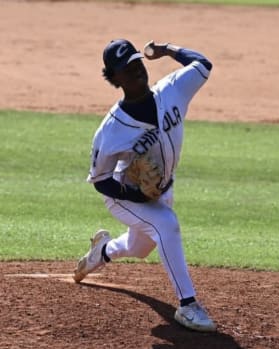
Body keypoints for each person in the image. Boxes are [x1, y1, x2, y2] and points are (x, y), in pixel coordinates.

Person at [73, 38, 215, 332]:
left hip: (160, 190)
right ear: (114, 78)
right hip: (122, 195)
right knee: (166, 225)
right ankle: (188, 306)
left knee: (139, 247)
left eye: (137, 61)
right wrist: (133, 194)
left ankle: (102, 252)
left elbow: (202, 64)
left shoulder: (172, 90)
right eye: (127, 68)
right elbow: (100, 180)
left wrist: (166, 50)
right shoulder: (110, 130)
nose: (136, 69)